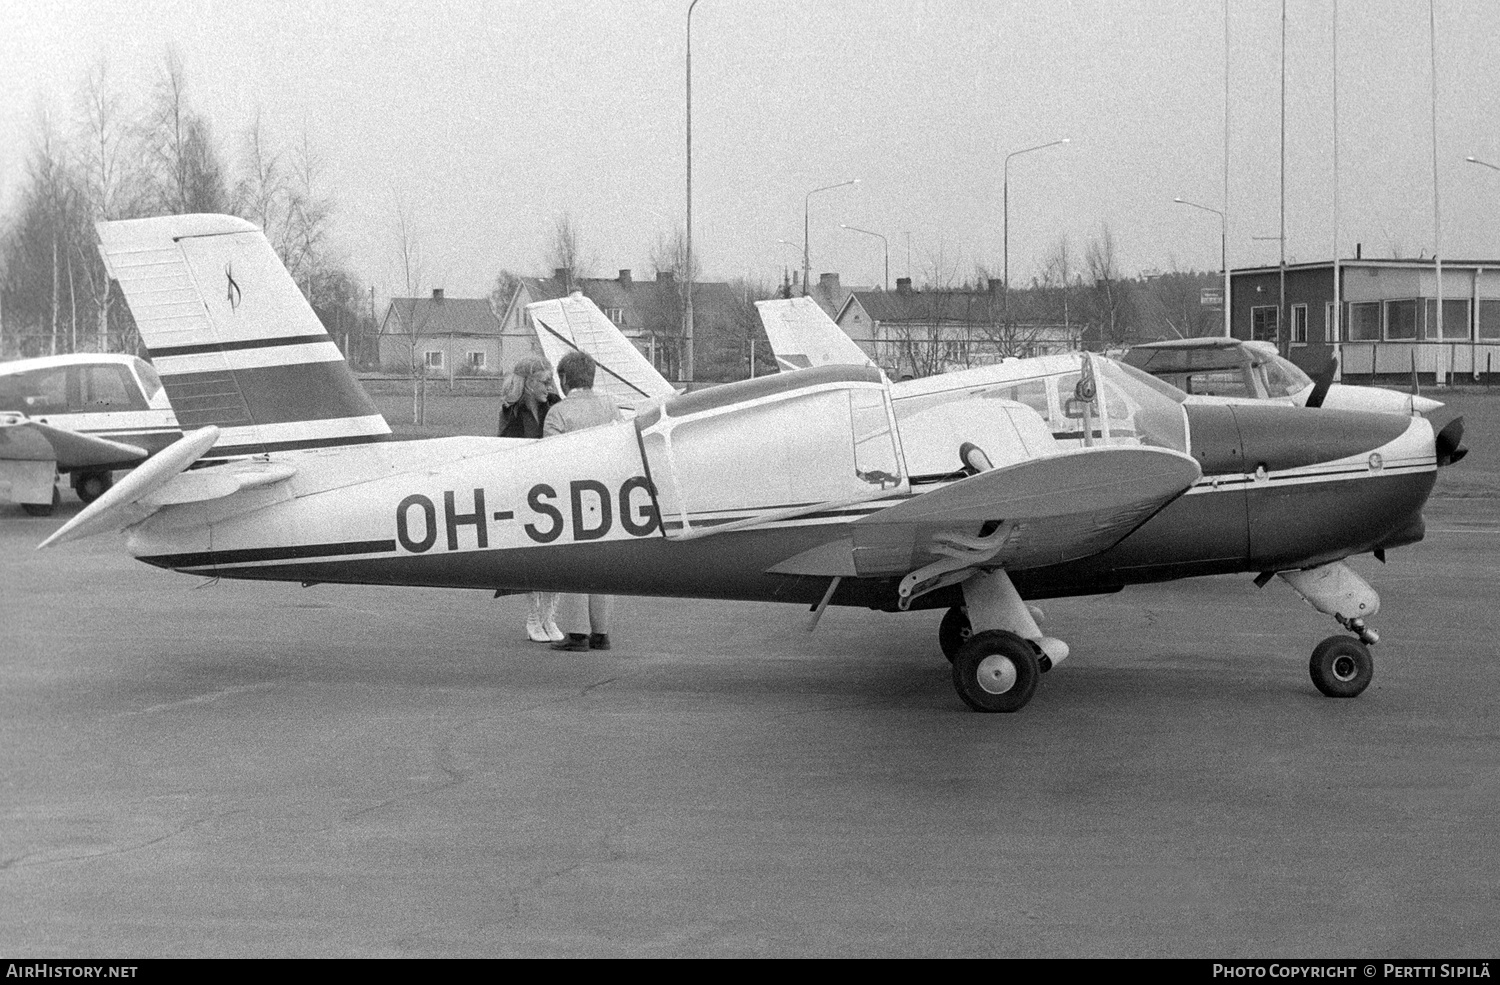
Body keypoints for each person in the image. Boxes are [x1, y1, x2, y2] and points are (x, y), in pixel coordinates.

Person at [544, 350, 623, 652]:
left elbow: (549, 458)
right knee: (602, 566)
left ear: (564, 379)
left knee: (574, 563)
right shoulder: (612, 407)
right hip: (606, 495)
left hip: (571, 495)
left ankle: (577, 633)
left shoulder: (559, 413)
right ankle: (601, 632)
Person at [497, 355, 564, 642]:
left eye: (551, 380)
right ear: (527, 383)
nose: (549, 386)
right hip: (525, 488)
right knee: (535, 557)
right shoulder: (511, 412)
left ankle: (550, 616)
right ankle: (535, 615)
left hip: (555, 486)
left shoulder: (556, 406)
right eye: (544, 381)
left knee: (560, 558)